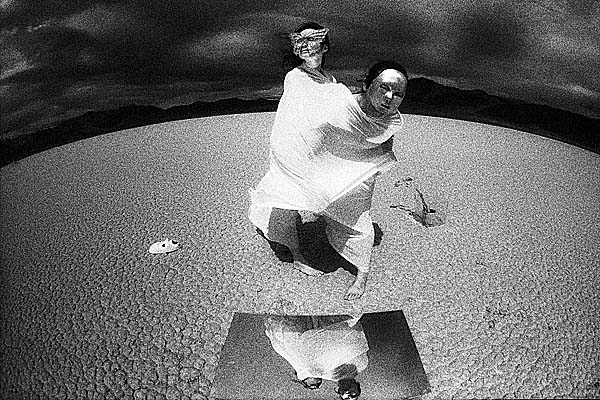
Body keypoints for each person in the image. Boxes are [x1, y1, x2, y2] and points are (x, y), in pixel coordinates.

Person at [249, 52, 409, 298]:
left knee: (359, 219)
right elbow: (310, 124)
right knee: (285, 196)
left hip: (356, 171)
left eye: (398, 94)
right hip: (318, 160)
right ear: (367, 85)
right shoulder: (340, 104)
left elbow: (383, 145)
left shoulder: (391, 121)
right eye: (384, 88)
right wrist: (307, 166)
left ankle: (362, 273)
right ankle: (296, 253)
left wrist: (367, 171)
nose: (390, 98)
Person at [264, 314, 368, 396]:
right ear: (358, 385)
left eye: (346, 398)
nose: (349, 394)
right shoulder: (363, 364)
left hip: (322, 332)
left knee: (292, 339)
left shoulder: (325, 374)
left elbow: (306, 359)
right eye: (353, 395)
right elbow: (358, 341)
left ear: (338, 390)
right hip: (339, 327)